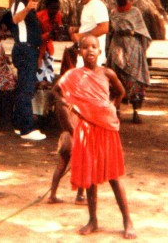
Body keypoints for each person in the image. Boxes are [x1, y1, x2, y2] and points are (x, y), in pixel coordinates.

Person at [54, 36, 136, 239]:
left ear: (100, 51)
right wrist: (70, 105)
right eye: (85, 47)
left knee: (113, 177)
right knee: (89, 178)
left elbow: (121, 92)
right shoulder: (73, 75)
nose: (89, 50)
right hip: (85, 130)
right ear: (79, 52)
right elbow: (56, 91)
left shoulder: (107, 73)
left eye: (94, 47)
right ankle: (93, 219)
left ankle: (127, 220)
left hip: (106, 129)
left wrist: (111, 107)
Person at [107, 0, 151, 124]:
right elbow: (110, 31)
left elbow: (142, 31)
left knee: (134, 79)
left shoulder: (135, 12)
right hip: (117, 49)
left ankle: (136, 112)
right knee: (115, 80)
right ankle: (116, 111)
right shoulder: (113, 12)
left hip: (132, 49)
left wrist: (129, 32)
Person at [10, 0, 46, 140]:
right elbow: (16, 19)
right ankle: (27, 129)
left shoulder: (29, 6)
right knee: (26, 89)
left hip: (29, 50)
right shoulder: (21, 4)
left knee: (23, 88)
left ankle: (19, 124)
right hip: (25, 50)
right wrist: (27, 8)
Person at [34, 0, 62, 124]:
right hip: (38, 49)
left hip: (48, 50)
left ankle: (48, 111)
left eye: (57, 8)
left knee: (49, 80)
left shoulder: (58, 16)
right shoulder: (39, 16)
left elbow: (56, 36)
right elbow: (37, 37)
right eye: (53, 8)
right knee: (39, 81)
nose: (55, 11)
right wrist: (39, 57)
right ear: (47, 7)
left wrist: (56, 32)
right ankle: (38, 112)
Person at [69, 0, 109, 67]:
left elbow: (104, 28)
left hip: (92, 54)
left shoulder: (97, 5)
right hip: (85, 53)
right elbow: (90, 25)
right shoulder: (87, 5)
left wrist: (81, 36)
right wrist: (77, 29)